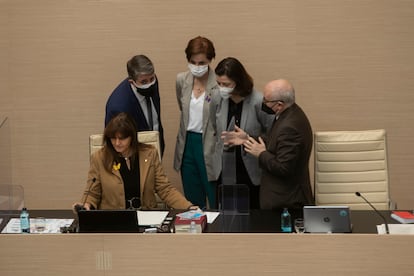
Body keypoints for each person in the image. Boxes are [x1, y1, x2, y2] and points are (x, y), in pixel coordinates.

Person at [221, 79, 314, 209]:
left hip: (286, 203)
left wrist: (261, 153)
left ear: (279, 104)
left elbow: (284, 168)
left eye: (266, 101)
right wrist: (247, 138)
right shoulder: (289, 113)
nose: (262, 103)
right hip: (281, 199)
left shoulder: (290, 127)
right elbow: (275, 142)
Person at [74, 112, 193, 210]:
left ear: (132, 137)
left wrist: (188, 208)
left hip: (146, 219)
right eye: (113, 138)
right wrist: (86, 205)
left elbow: (165, 189)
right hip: (114, 222)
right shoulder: (99, 158)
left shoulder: (149, 153)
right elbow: (92, 193)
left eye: (122, 138)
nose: (117, 143)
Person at [211, 57, 274, 209]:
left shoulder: (258, 101)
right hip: (224, 167)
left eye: (226, 84)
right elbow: (214, 127)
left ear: (238, 81)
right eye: (219, 83)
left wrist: (248, 139)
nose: (221, 88)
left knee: (251, 216)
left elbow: (272, 133)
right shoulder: (216, 98)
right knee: (226, 214)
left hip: (250, 169)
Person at [173, 36, 220, 209]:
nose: (197, 67)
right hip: (187, 144)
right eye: (193, 62)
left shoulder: (219, 83)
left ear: (210, 60)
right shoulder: (181, 80)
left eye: (202, 63)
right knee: (193, 202)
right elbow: (182, 107)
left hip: (210, 144)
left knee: (215, 199)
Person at [105, 55, 165, 157]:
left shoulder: (153, 82)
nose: (150, 84)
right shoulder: (118, 106)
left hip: (155, 148)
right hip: (133, 157)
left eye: (152, 79)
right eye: (144, 82)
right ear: (132, 82)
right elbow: (116, 145)